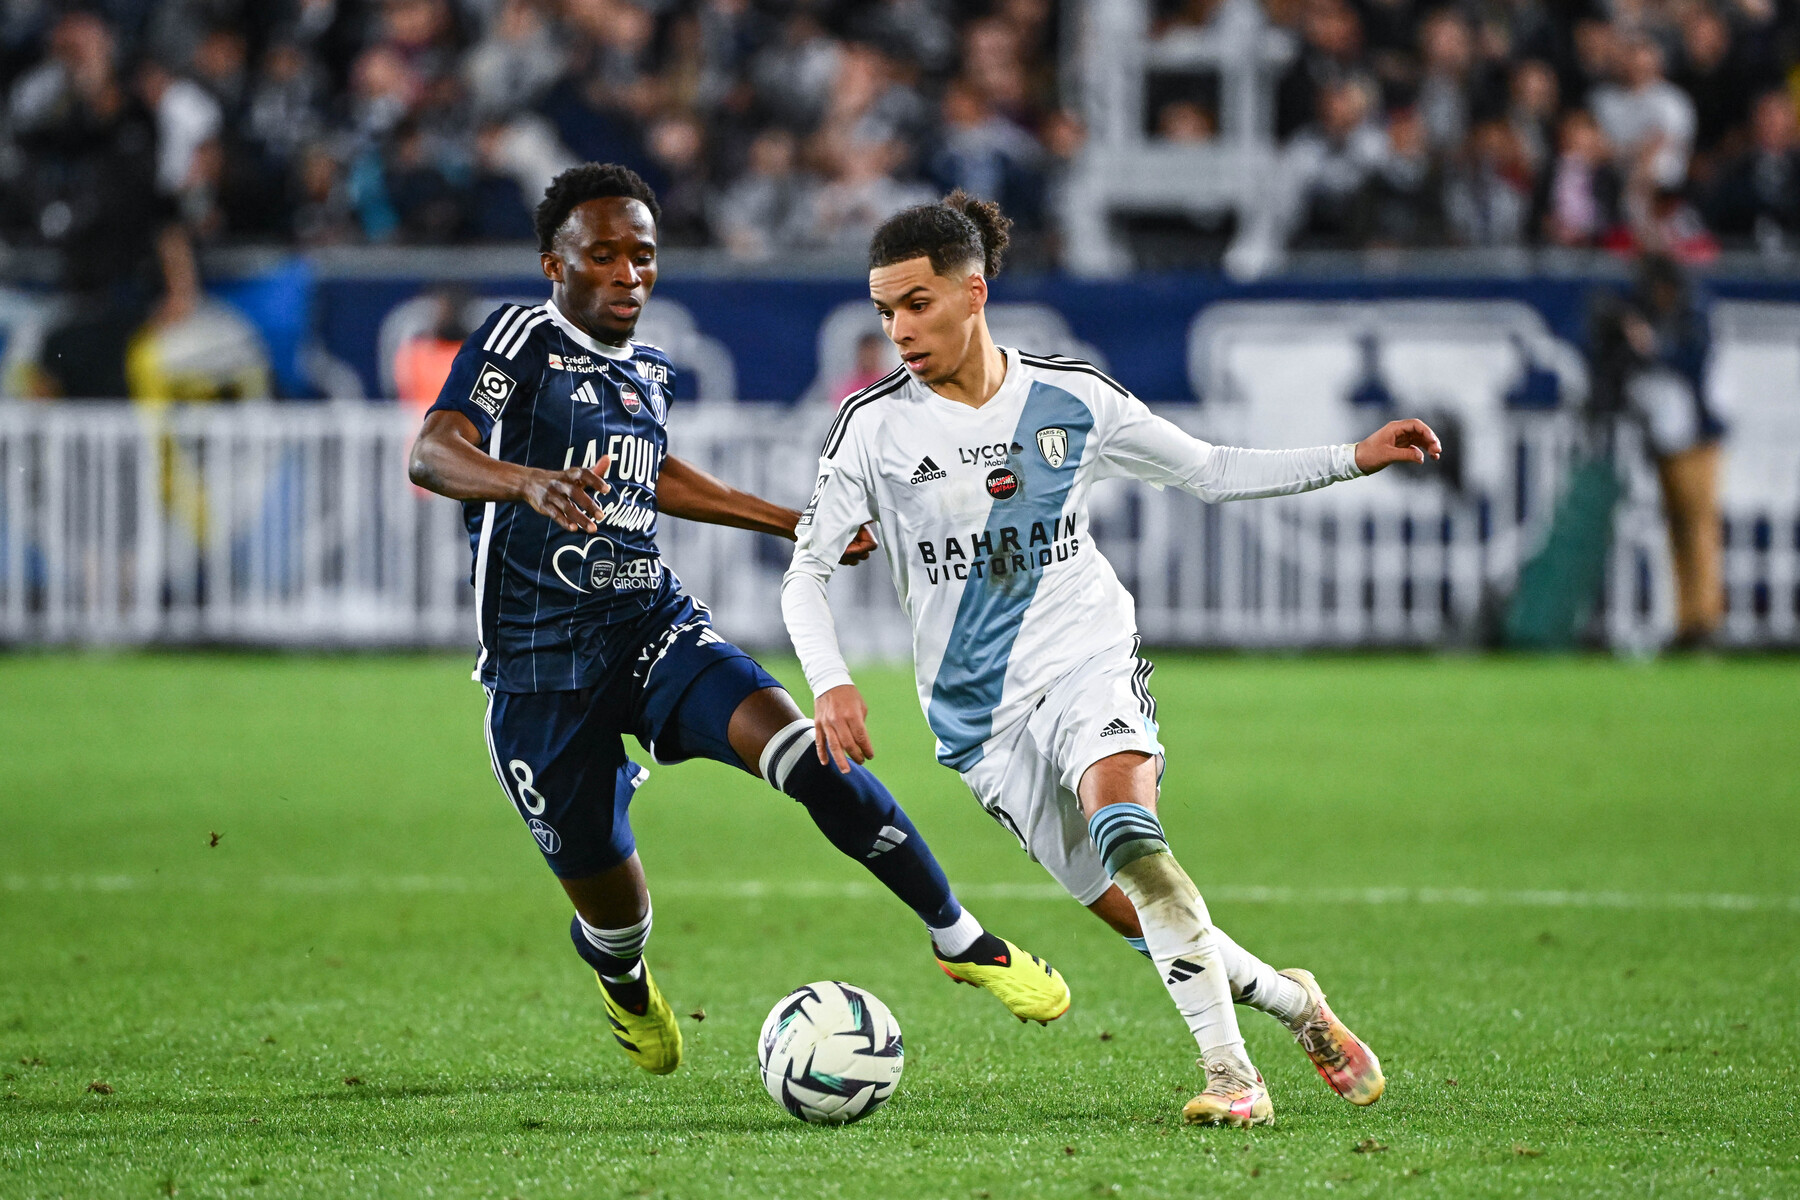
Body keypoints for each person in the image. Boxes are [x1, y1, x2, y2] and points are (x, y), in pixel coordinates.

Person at [781, 191, 1442, 1127]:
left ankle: (1232, 1078)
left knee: (1130, 836)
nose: (898, 329)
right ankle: (1299, 1002)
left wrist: (1351, 457)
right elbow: (803, 576)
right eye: (885, 310)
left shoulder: (1071, 400)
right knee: (1141, 915)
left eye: (917, 303)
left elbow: (1208, 470)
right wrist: (832, 684)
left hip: (1085, 659)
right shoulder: (873, 431)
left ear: (975, 293)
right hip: (978, 722)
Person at [407, 165, 1069, 1079]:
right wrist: (529, 482)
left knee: (806, 754)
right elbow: (434, 451)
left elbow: (659, 475)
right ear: (553, 262)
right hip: (539, 673)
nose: (627, 275)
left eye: (642, 256)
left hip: (648, 627)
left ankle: (959, 937)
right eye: (602, 255)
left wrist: (793, 522)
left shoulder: (647, 370)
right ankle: (626, 980)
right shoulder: (520, 337)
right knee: (616, 916)